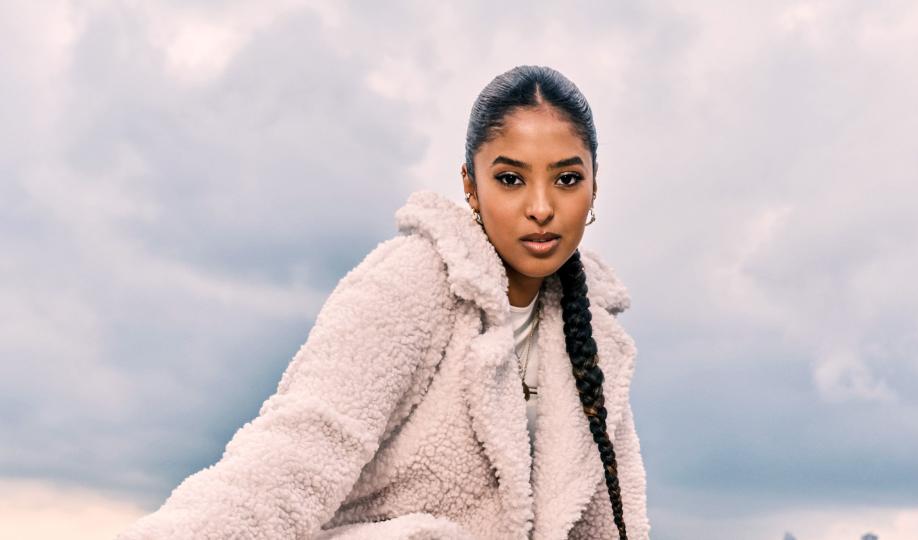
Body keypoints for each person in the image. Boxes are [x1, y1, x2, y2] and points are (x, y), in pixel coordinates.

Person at [117, 65, 651, 540]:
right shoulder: (413, 283)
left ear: (594, 189)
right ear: (470, 187)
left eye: (566, 179)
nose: (540, 207)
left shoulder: (597, 341)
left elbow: (607, 525)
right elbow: (295, 453)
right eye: (510, 179)